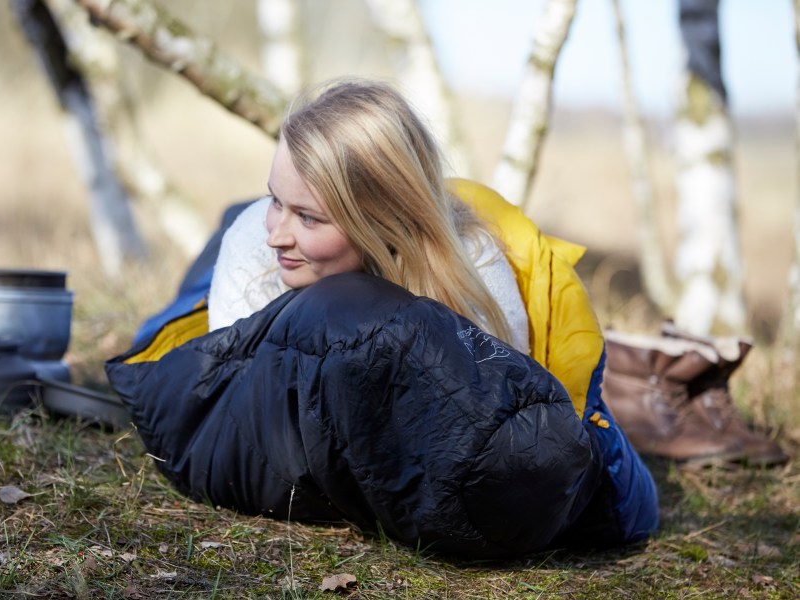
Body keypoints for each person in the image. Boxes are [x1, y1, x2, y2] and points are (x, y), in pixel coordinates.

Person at [107, 78, 659, 559]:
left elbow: (488, 425)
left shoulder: (478, 270)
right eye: (280, 199)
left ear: (382, 221)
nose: (280, 230)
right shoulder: (257, 246)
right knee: (197, 290)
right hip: (228, 280)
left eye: (307, 215)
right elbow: (238, 403)